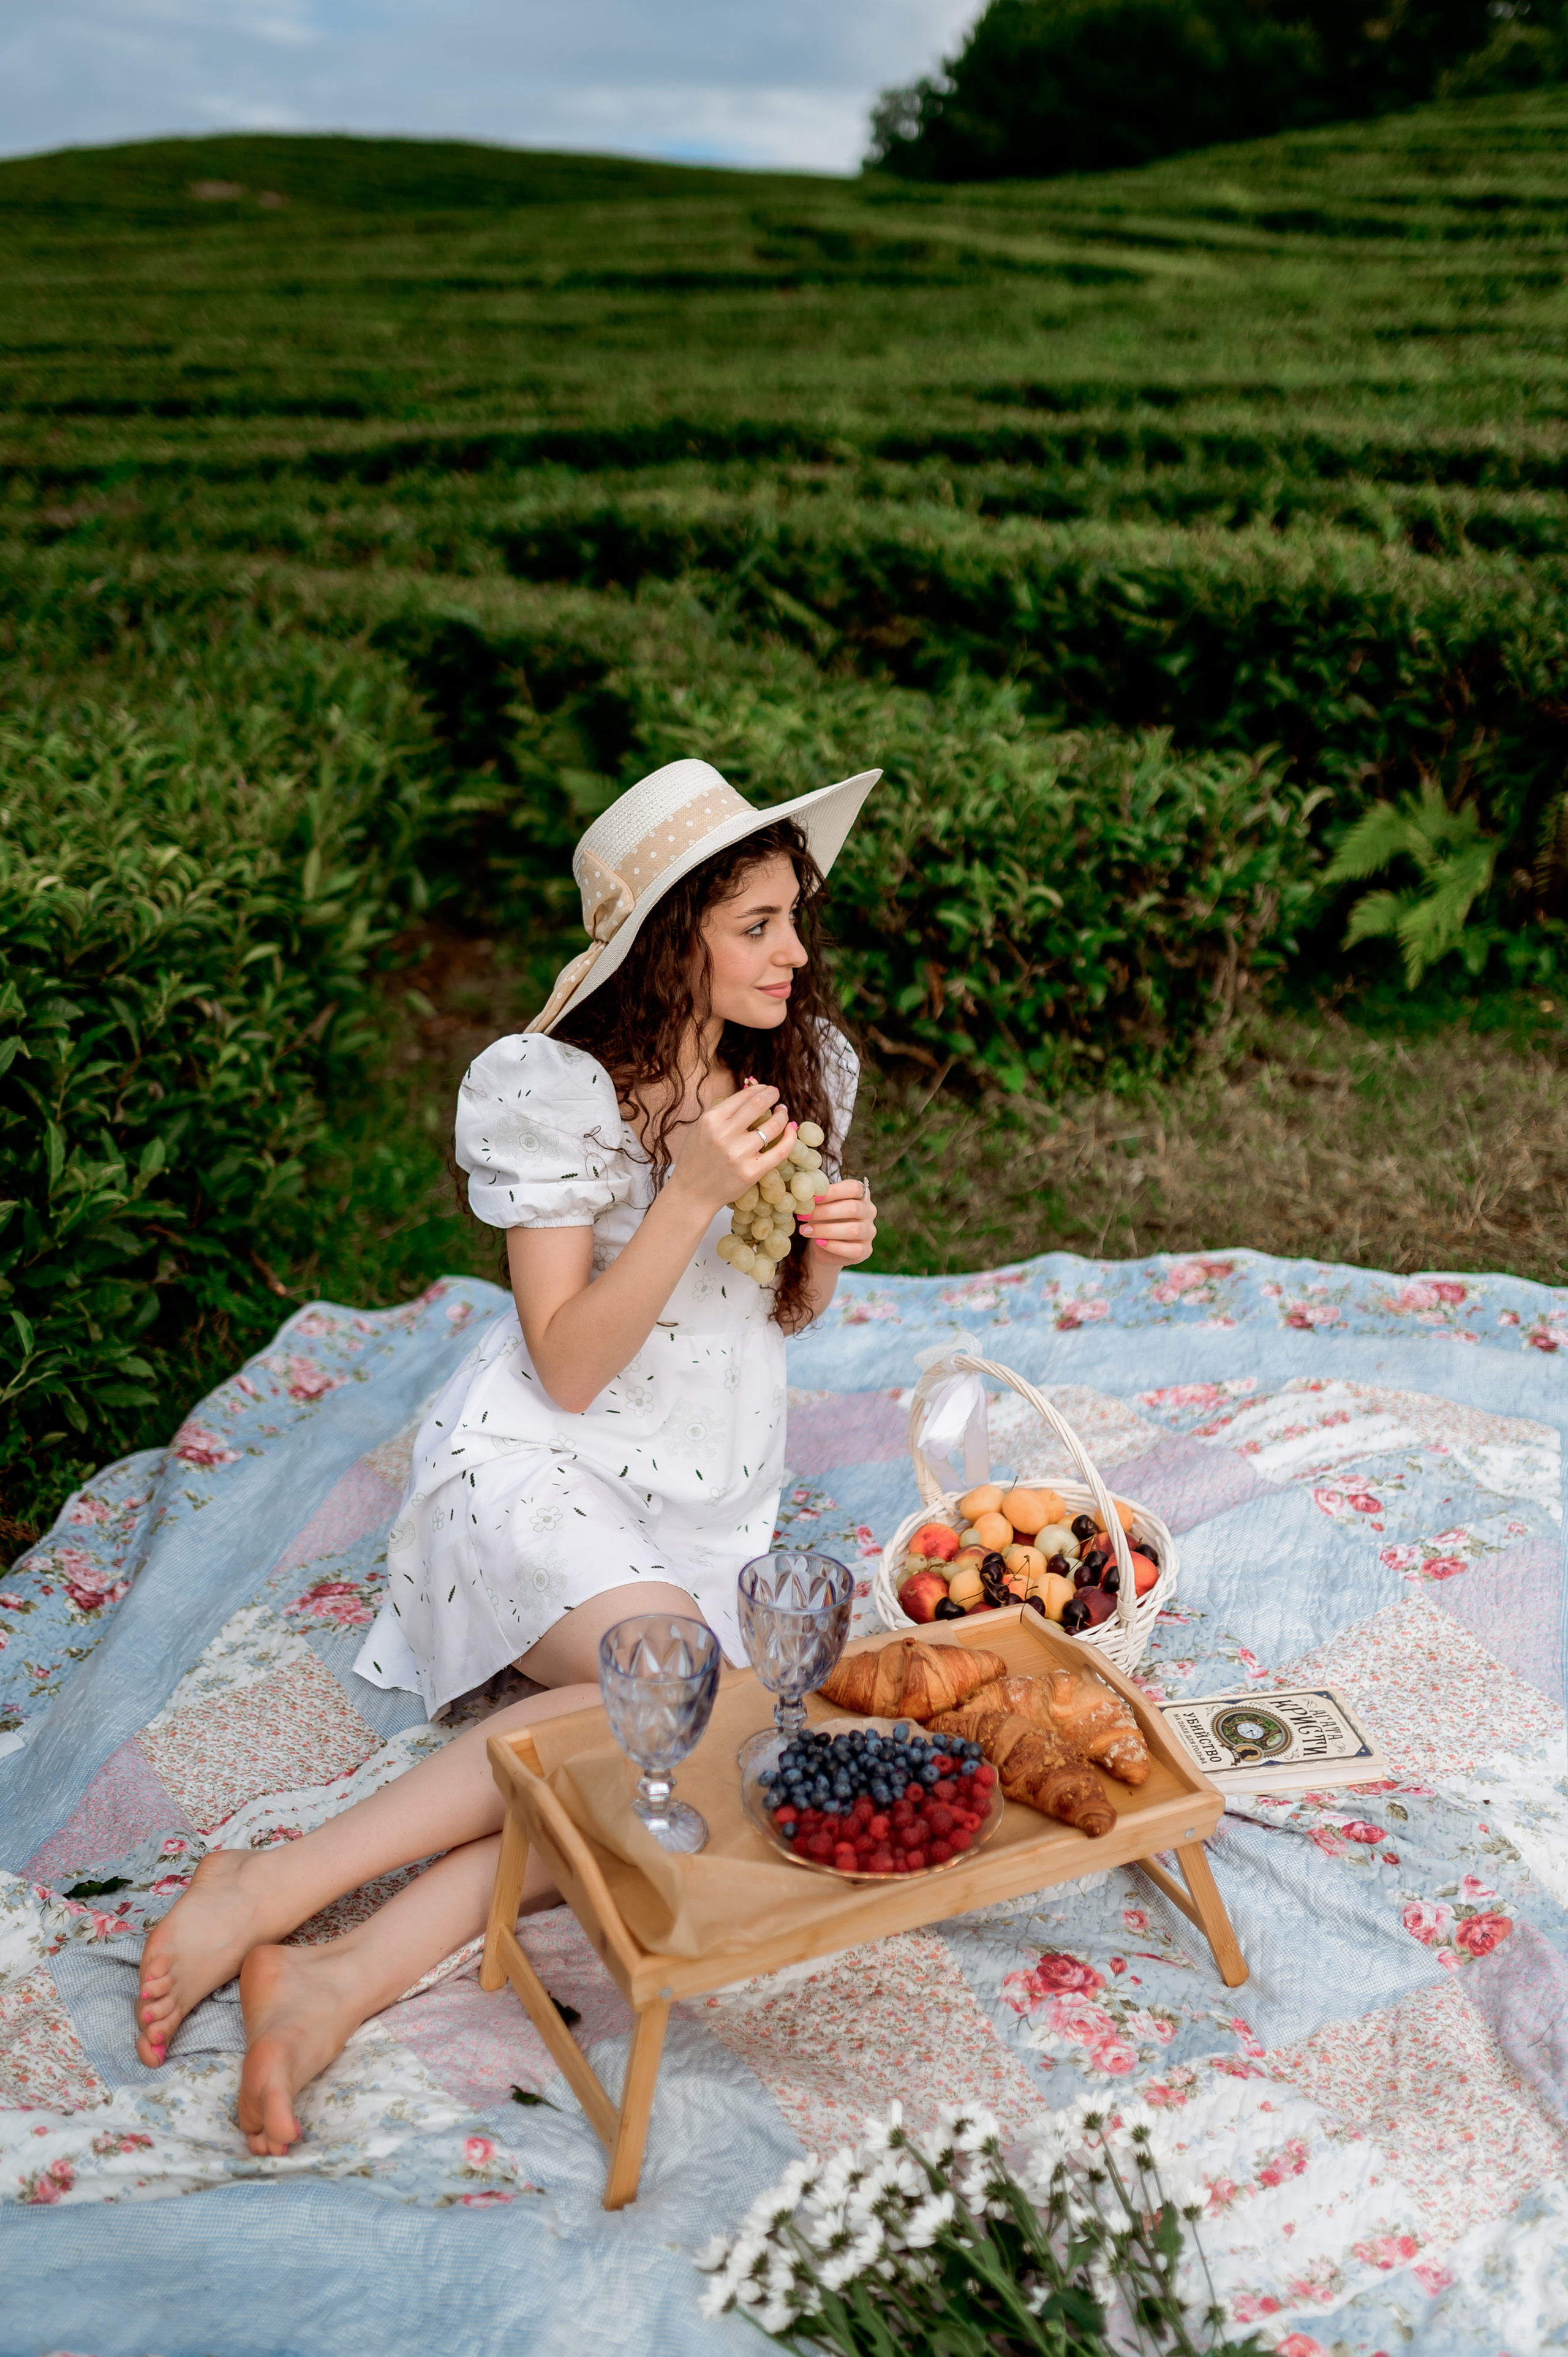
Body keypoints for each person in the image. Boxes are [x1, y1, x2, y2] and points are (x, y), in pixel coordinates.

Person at [134, 755, 881, 2157]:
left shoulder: (795, 1064)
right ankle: (281, 1888)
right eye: (756, 924)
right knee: (671, 1696)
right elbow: (569, 1364)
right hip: (545, 1461)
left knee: (680, 1742)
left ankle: (335, 1971)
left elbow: (772, 1308)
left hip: (705, 1495)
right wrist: (687, 1194)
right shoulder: (560, 1091)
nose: (793, 951)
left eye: (794, 916)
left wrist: (826, 1251)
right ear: (672, 940)